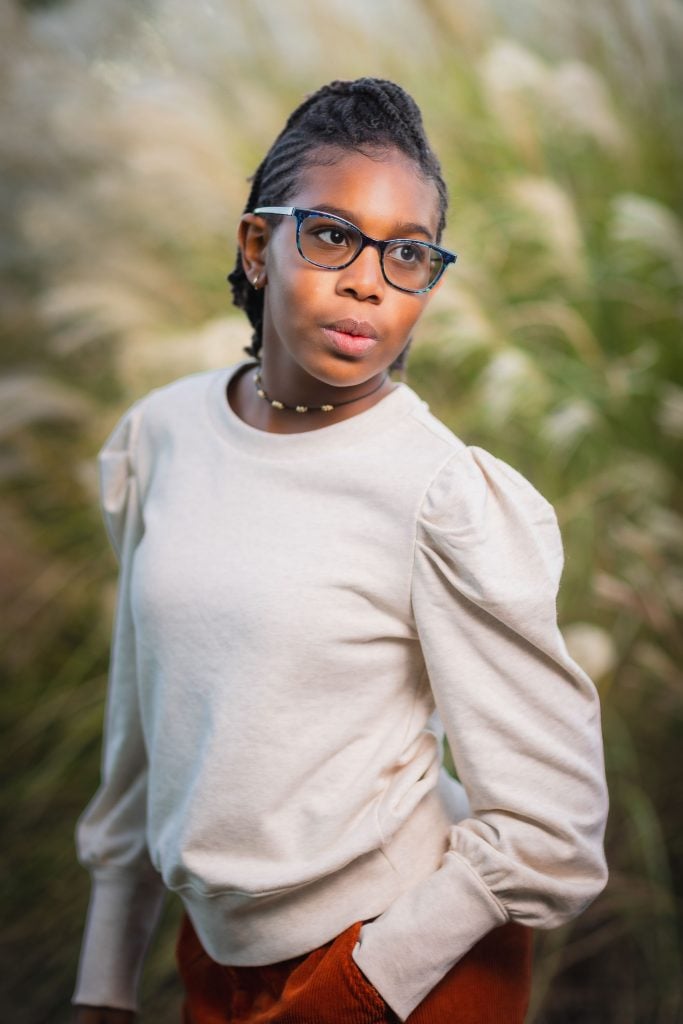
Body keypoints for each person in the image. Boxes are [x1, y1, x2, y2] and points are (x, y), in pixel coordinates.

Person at [71, 78, 609, 1024]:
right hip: (216, 962)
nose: (368, 279)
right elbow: (144, 718)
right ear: (256, 244)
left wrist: (366, 984)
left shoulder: (440, 494)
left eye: (408, 255)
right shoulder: (161, 437)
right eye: (330, 235)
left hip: (406, 964)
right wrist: (105, 981)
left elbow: (552, 825)